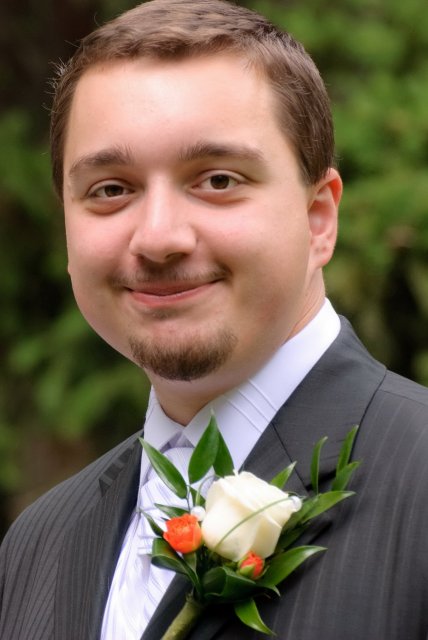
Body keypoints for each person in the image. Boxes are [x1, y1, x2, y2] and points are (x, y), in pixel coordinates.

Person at [1, 0, 428, 638]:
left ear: (318, 219)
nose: (158, 237)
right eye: (111, 189)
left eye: (218, 180)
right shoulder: (37, 543)